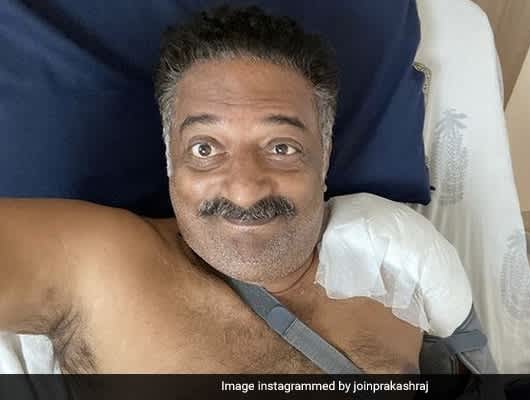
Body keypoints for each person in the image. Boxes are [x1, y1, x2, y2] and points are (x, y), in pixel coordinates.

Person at [0, 5, 424, 373]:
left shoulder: (397, 283)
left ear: (324, 156)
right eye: (205, 149)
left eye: (281, 147)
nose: (244, 190)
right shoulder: (99, 264)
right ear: (170, 159)